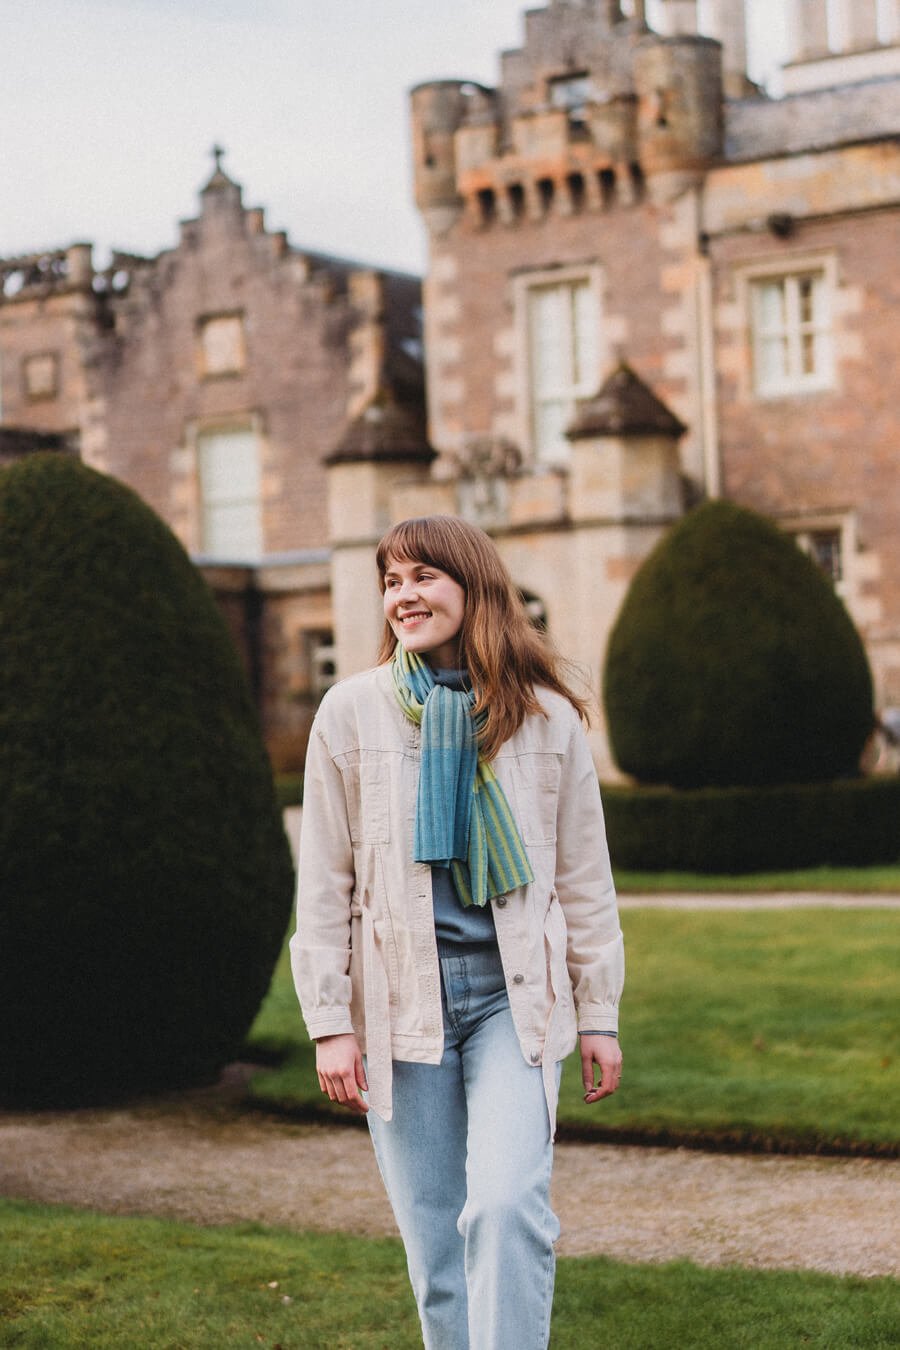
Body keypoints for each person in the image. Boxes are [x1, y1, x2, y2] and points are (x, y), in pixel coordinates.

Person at [290, 515, 624, 1350]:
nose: (404, 596)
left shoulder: (546, 720)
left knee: (507, 1206)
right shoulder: (351, 712)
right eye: (392, 582)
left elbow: (584, 881)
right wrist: (331, 1022)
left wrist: (599, 1013)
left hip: (515, 1001)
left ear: (473, 585)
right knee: (436, 1244)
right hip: (402, 1003)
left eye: (423, 577)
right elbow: (325, 880)